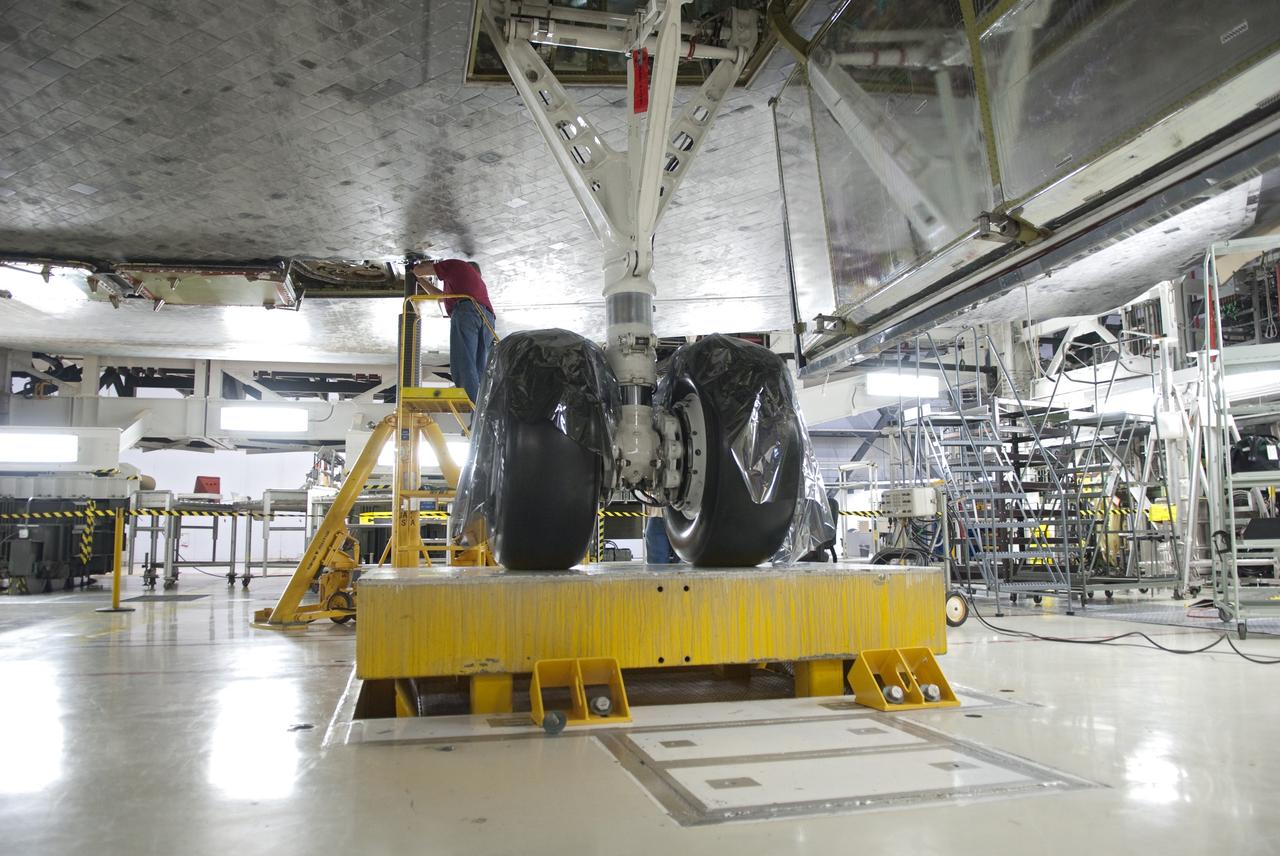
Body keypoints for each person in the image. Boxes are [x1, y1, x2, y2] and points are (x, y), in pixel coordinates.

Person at [411, 258, 496, 403]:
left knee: (464, 363)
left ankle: (475, 408)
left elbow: (421, 270)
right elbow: (439, 297)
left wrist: (414, 269)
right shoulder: (472, 285)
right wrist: (419, 281)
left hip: (467, 312)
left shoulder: (457, 266)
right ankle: (481, 409)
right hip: (488, 320)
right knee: (478, 368)